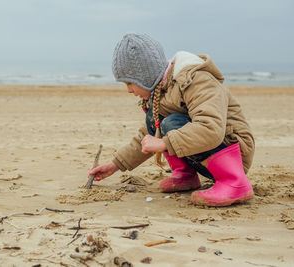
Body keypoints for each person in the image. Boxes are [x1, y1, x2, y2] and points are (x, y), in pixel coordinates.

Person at [88, 33, 255, 207]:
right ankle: (186, 174)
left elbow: (211, 128)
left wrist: (165, 143)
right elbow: (146, 136)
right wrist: (115, 164)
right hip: (206, 157)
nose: (128, 90)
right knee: (154, 120)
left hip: (234, 155)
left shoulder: (197, 79)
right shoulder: (162, 90)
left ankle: (235, 182)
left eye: (130, 83)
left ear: (145, 76)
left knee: (170, 122)